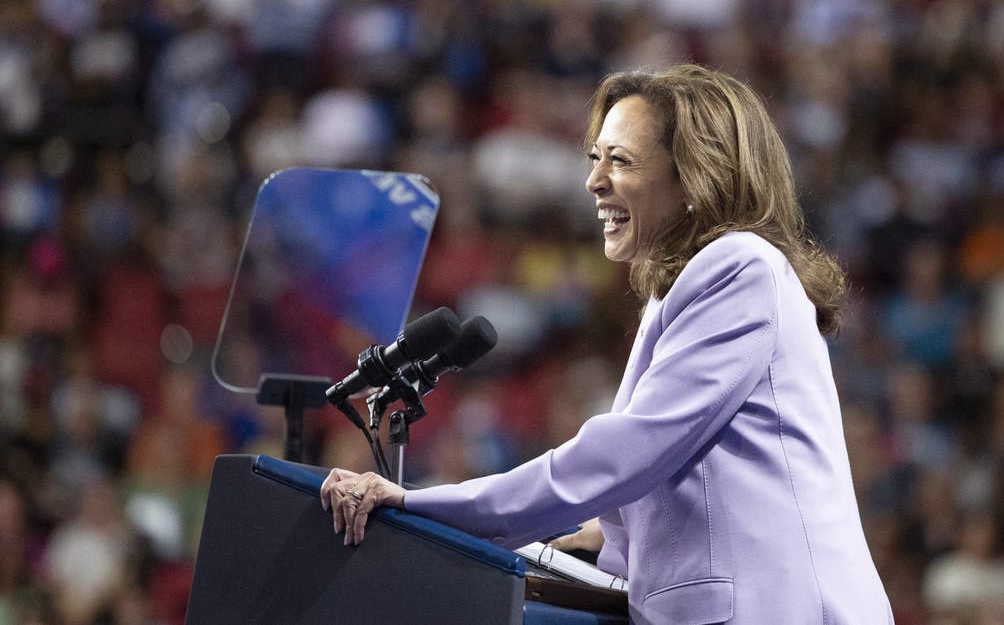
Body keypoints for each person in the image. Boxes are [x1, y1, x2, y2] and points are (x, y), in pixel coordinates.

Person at [321, 64, 894, 623]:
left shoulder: (738, 265)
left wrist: (424, 505)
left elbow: (627, 452)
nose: (593, 181)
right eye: (595, 158)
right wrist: (601, 534)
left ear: (697, 175)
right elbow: (691, 469)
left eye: (620, 161)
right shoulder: (684, 287)